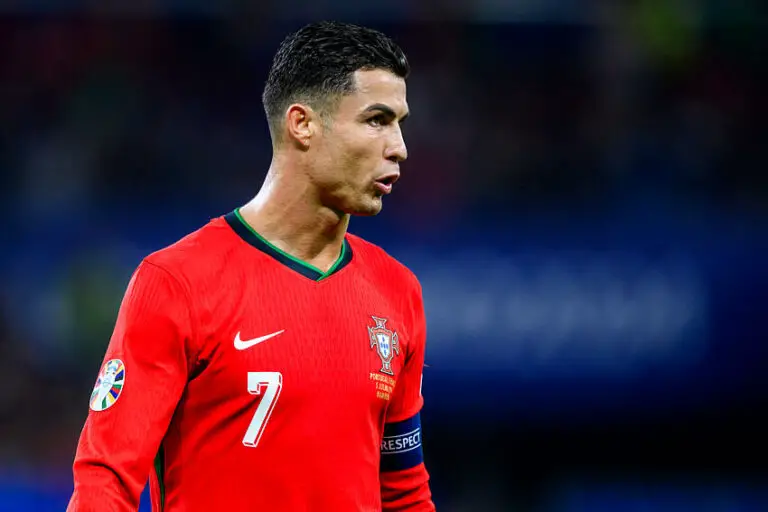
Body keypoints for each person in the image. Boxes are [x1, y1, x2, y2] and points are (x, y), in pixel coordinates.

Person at [68, 20, 435, 511]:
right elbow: (106, 478)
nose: (399, 147)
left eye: (399, 123)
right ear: (302, 124)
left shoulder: (398, 291)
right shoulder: (178, 282)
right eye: (376, 120)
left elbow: (404, 493)